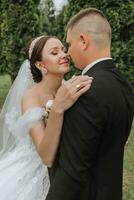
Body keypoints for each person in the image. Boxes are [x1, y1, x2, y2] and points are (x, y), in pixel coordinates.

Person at [46, 8, 134, 200]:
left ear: (83, 41)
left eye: (69, 44)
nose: (67, 52)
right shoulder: (124, 84)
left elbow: (71, 173)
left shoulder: (84, 91)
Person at [0, 35, 93, 199]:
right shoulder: (31, 98)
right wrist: (57, 109)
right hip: (36, 170)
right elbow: (46, 157)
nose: (64, 54)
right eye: (54, 52)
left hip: (70, 166)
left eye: (63, 49)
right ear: (40, 65)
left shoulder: (70, 87)